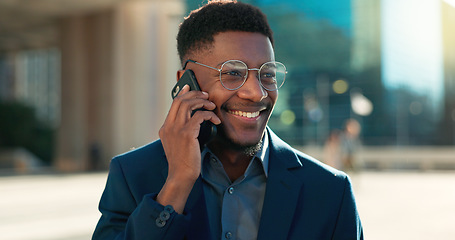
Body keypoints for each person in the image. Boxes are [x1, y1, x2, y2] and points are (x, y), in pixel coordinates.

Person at [92, 1, 363, 239]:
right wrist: (177, 184)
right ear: (186, 84)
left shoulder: (330, 191)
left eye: (267, 74)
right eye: (233, 73)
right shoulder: (131, 176)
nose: (256, 92)